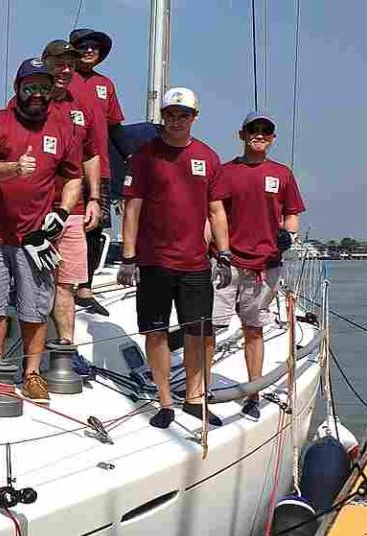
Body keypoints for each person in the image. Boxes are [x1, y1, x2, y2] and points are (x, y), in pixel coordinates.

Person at [118, 87, 232, 429]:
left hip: (195, 263)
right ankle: (165, 401)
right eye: (170, 114)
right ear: (162, 117)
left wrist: (224, 254)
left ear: (194, 117)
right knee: (156, 333)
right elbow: (132, 208)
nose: (176, 120)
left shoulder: (208, 158)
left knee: (200, 333)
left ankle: (195, 398)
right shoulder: (144, 156)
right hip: (153, 261)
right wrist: (128, 257)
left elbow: (216, 209)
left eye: (183, 115)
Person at [0, 58, 83, 401]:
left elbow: (74, 176)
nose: (37, 93)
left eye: (43, 87)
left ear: (52, 91)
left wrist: (62, 213)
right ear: (17, 88)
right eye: (30, 86)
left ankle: (32, 373)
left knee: (35, 307)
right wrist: (14, 169)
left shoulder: (65, 127)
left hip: (36, 236)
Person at [213, 112, 305, 420]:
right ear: (242, 134)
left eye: (266, 130)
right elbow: (211, 215)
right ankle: (196, 392)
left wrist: (288, 236)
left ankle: (253, 394)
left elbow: (292, 213)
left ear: (273, 137)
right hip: (226, 263)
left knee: (254, 330)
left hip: (265, 266)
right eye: (254, 129)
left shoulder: (282, 174)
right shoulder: (224, 172)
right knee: (208, 329)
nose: (260, 134)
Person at [39, 39, 103, 372]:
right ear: (45, 62)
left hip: (74, 211)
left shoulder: (83, 109)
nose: (65, 69)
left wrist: (94, 198)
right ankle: (28, 358)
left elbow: (92, 154)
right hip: (35, 210)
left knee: (65, 283)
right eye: (59, 62)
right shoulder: (30, 103)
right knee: (33, 283)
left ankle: (67, 348)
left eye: (70, 64)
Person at [69, 27, 127, 317]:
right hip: (64, 168)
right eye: (83, 45)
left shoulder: (106, 85)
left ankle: (85, 289)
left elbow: (115, 126)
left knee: (94, 229)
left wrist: (131, 155)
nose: (89, 50)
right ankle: (62, 284)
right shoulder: (64, 80)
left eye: (95, 47)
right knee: (64, 224)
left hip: (99, 168)